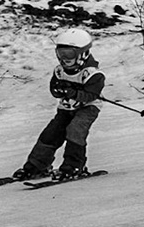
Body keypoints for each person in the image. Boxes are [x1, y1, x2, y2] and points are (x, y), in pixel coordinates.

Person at [8, 28, 106, 181]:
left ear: (83, 53)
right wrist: (59, 90)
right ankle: (37, 166)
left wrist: (73, 92)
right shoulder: (60, 71)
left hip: (87, 108)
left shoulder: (93, 74)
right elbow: (54, 90)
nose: (64, 59)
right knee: (51, 133)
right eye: (61, 54)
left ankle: (73, 166)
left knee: (75, 130)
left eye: (69, 54)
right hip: (66, 108)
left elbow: (90, 95)